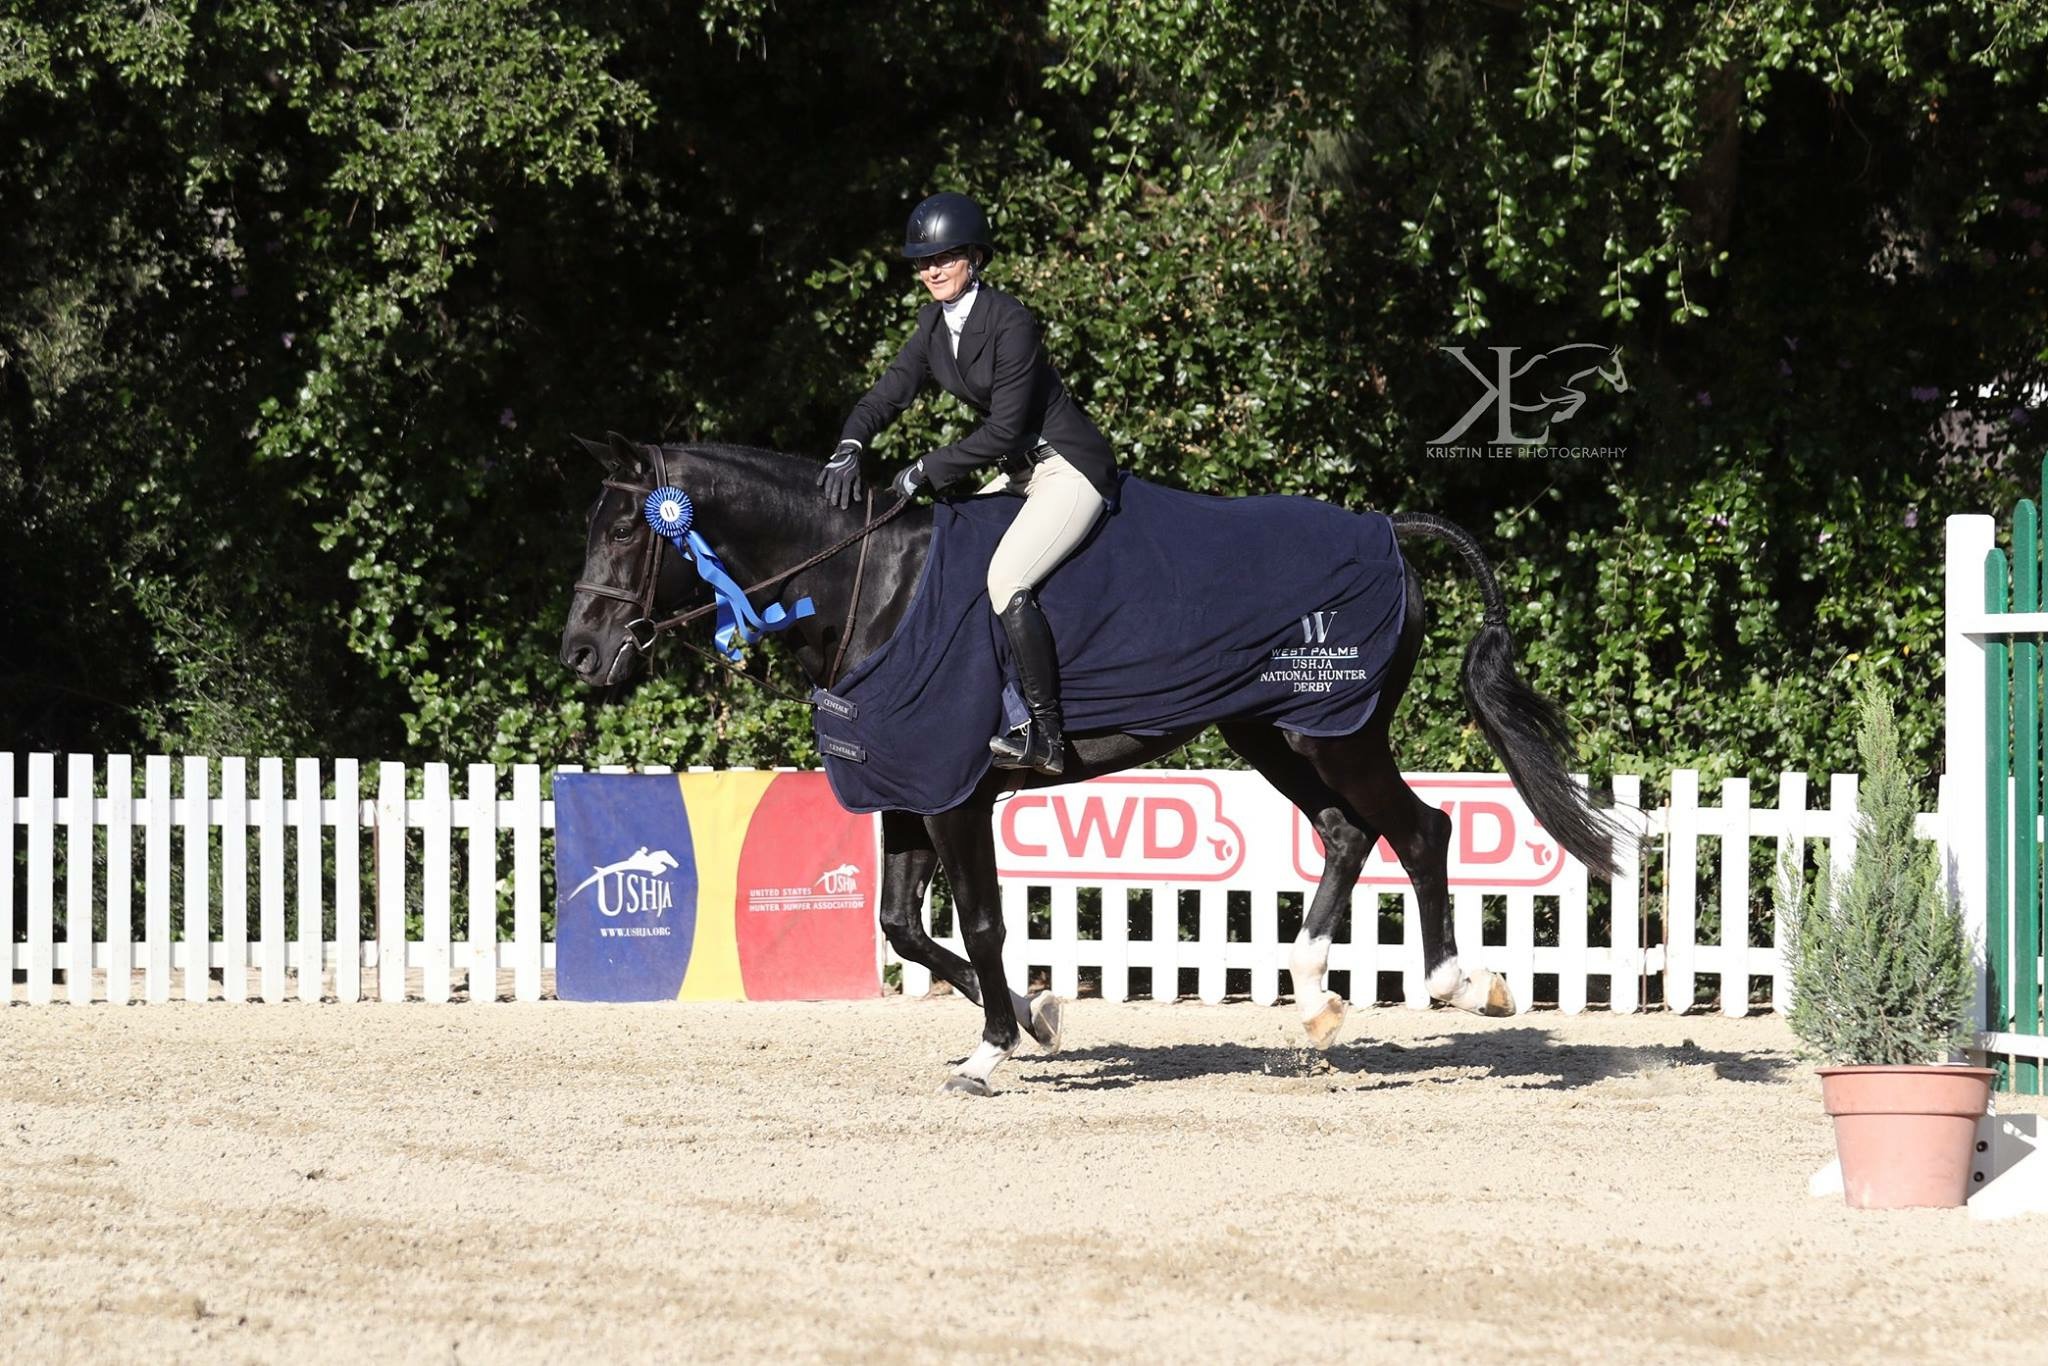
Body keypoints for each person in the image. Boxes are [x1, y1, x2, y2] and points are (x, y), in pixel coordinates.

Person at [818, 192, 1118, 777]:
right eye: (923, 261)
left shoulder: (1010, 321)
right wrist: (849, 445)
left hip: (1067, 467)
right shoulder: (933, 324)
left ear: (975, 258)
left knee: (1007, 578)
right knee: (952, 566)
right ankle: (984, 711)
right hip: (1021, 470)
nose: (932, 270)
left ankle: (1047, 733)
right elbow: (888, 394)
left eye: (946, 258)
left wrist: (925, 469)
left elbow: (1006, 427)